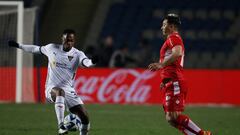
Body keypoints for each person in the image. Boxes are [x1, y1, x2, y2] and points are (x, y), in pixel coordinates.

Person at [8, 29, 98, 135]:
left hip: (69, 89)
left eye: (71, 40)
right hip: (52, 88)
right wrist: (18, 45)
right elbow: (35, 49)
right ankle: (61, 126)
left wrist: (93, 61)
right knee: (60, 92)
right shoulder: (51, 48)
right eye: (66, 40)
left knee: (84, 117)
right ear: (62, 39)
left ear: (74, 41)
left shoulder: (78, 54)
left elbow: (86, 63)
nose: (68, 42)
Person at [148, 14, 212, 135]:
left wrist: (161, 65)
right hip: (170, 81)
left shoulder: (173, 37)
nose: (162, 27)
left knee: (173, 116)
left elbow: (177, 53)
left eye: (164, 25)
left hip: (175, 81)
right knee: (170, 119)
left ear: (171, 26)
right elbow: (173, 59)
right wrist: (164, 80)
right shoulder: (171, 39)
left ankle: (203, 134)